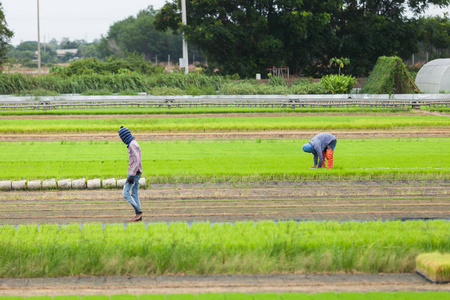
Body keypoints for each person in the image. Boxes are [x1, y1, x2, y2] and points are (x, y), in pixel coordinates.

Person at [118, 126, 143, 222]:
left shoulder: (132, 145)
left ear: (124, 137)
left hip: (134, 173)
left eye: (121, 138)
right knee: (135, 193)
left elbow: (136, 160)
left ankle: (138, 212)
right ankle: (138, 216)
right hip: (137, 172)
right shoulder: (134, 143)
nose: (122, 140)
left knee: (125, 193)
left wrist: (131, 175)